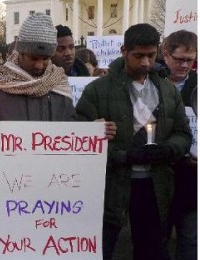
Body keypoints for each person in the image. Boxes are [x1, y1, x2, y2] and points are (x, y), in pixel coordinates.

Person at [0, 12, 115, 260]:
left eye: (45, 58)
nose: (39, 65)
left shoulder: (58, 83)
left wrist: (93, 132)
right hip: (6, 196)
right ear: (19, 51)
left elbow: (69, 131)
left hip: (52, 195)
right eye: (33, 58)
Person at [75, 23, 192, 260]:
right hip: (111, 188)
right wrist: (123, 156)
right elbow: (80, 142)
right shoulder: (97, 91)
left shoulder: (167, 90)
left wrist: (169, 149)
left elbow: (183, 133)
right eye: (139, 56)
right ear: (124, 51)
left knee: (151, 251)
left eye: (151, 55)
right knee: (101, 250)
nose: (146, 63)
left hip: (155, 187)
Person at [161, 29, 197, 260]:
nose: (185, 66)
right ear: (166, 55)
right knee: (157, 239)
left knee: (191, 239)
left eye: (191, 60)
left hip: (192, 177)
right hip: (160, 173)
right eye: (180, 59)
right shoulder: (151, 84)